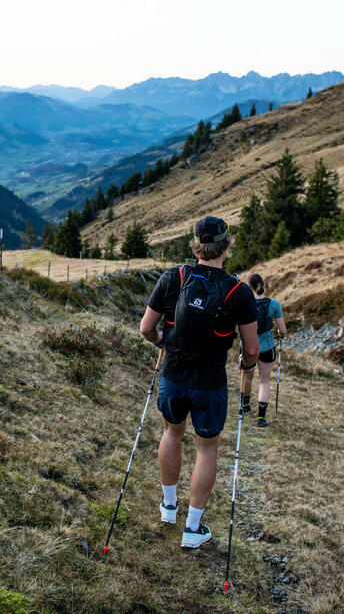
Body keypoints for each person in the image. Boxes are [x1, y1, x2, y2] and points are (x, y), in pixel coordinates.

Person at [139, 216, 259, 549]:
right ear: (226, 245)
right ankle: (192, 528)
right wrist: (246, 365)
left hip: (174, 375)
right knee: (206, 449)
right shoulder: (239, 292)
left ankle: (168, 507)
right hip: (210, 382)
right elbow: (251, 349)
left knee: (171, 433)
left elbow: (146, 328)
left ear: (196, 245)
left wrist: (162, 342)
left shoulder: (173, 278)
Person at [240, 273, 288, 427]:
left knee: (248, 376)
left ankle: (245, 405)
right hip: (267, 347)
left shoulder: (245, 304)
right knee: (264, 381)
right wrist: (280, 334)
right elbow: (283, 331)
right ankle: (261, 417)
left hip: (249, 346)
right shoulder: (274, 304)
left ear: (249, 287)